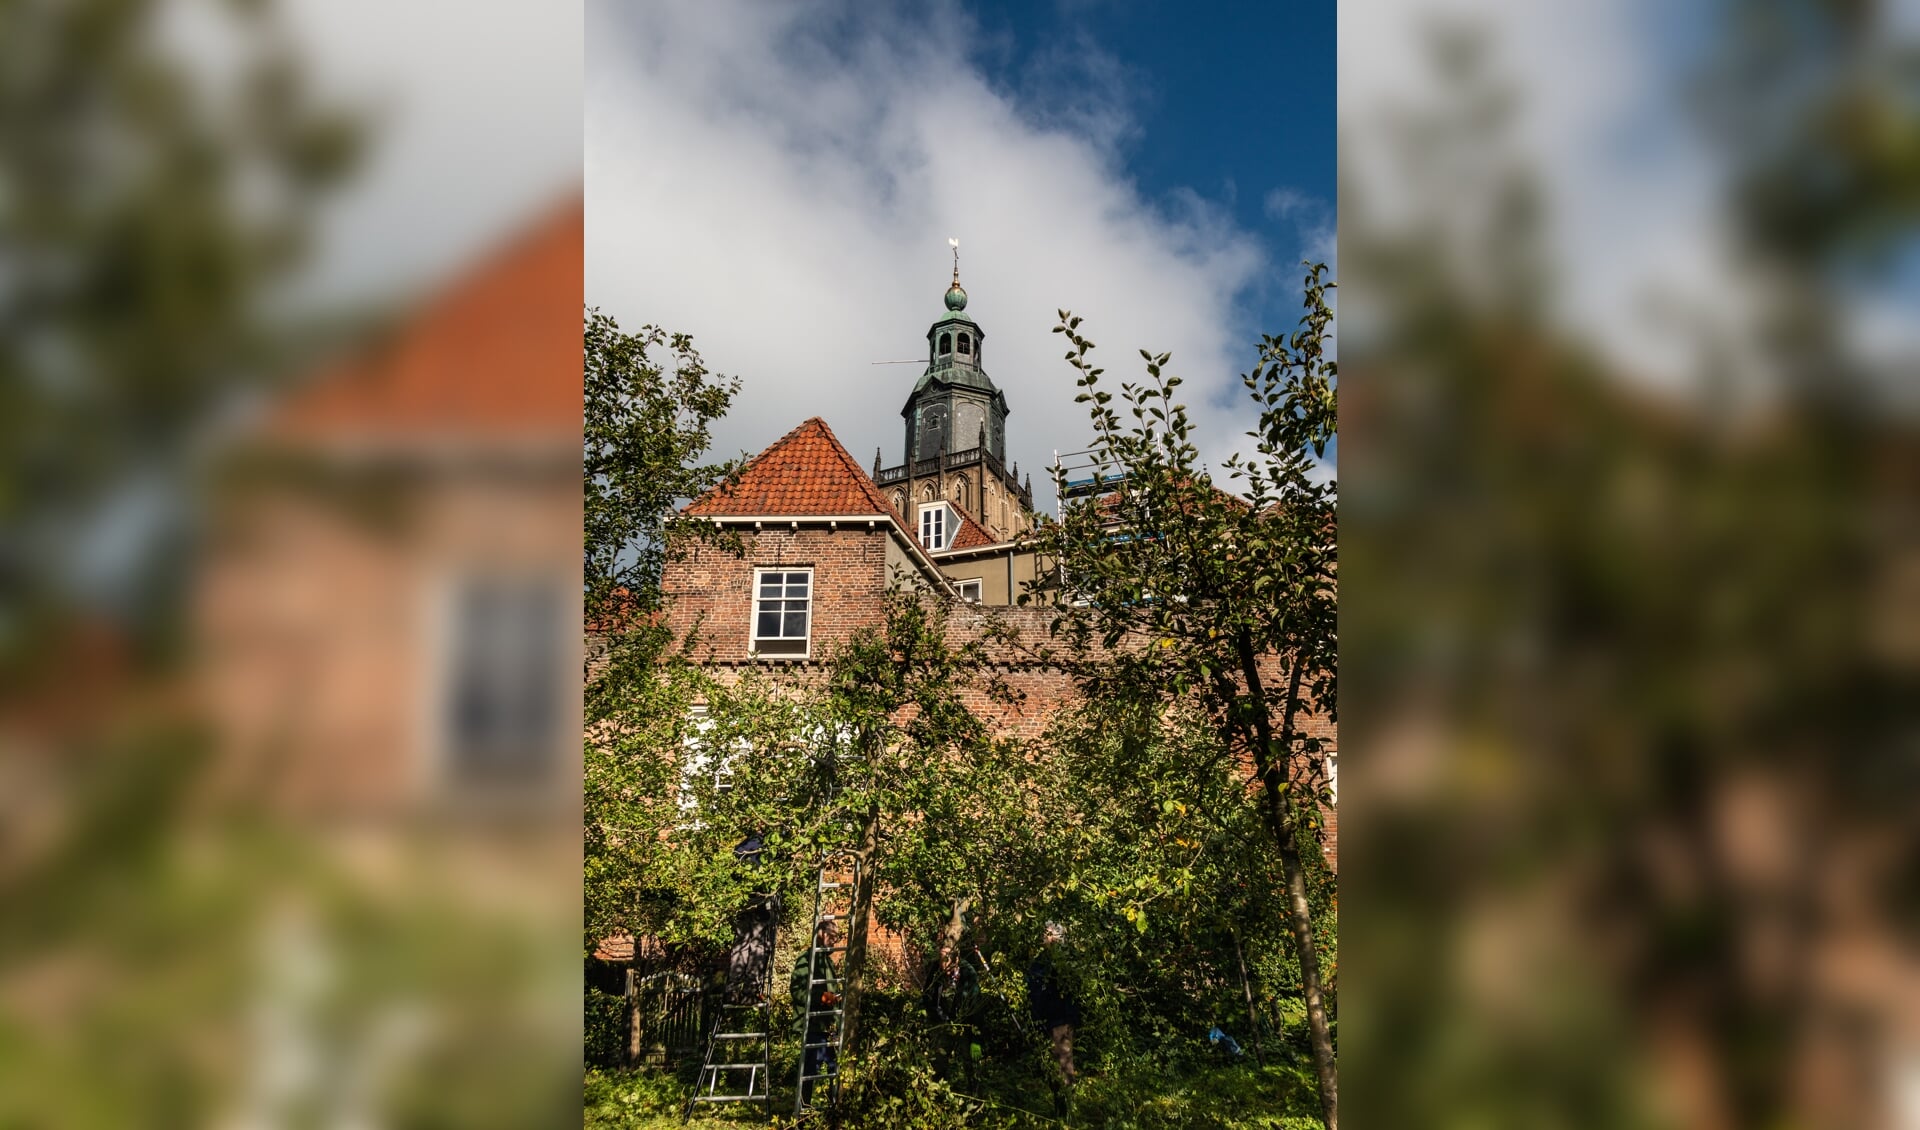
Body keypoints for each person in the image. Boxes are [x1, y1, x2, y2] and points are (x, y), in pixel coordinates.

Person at [1026, 922, 1080, 1112]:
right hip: (1042, 1018)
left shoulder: (1064, 959)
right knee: (1048, 1064)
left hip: (1060, 1018)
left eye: (1047, 933)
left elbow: (1071, 987)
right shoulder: (1040, 960)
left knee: (1064, 1062)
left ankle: (1067, 1107)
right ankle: (1059, 1102)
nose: (1044, 937)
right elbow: (1033, 987)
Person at [789, 920, 842, 1107]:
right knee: (810, 1069)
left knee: (835, 1068)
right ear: (820, 933)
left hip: (828, 1023)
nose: (833, 942)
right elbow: (797, 990)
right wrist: (821, 997)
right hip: (813, 1024)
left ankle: (832, 1108)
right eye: (831, 936)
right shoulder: (807, 959)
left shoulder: (827, 961)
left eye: (836, 938)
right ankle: (803, 1110)